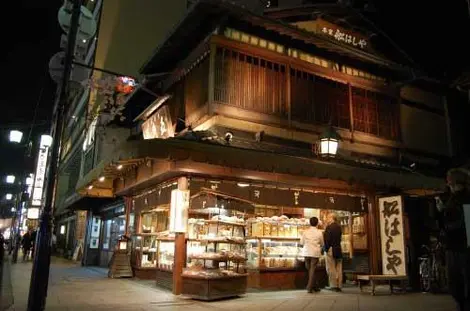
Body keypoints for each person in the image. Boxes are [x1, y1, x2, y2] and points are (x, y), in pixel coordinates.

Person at [436, 168, 470, 311]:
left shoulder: (467, 197)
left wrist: (443, 212)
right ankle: (460, 305)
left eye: (449, 178)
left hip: (464, 246)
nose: (447, 181)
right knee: (454, 283)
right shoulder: (450, 197)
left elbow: (465, 222)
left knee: (465, 282)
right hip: (452, 245)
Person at [300, 217, 324, 293]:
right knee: (312, 270)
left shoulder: (305, 232)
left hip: (306, 253)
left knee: (310, 269)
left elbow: (301, 243)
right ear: (317, 223)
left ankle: (311, 287)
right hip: (315, 253)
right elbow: (322, 243)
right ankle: (312, 286)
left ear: (310, 223)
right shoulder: (319, 232)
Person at [324, 213, 343, 292]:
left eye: (328, 217)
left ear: (332, 218)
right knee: (339, 268)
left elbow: (327, 240)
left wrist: (326, 249)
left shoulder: (329, 227)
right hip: (338, 248)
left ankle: (333, 285)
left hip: (331, 249)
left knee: (331, 268)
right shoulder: (339, 227)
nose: (327, 219)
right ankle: (339, 285)